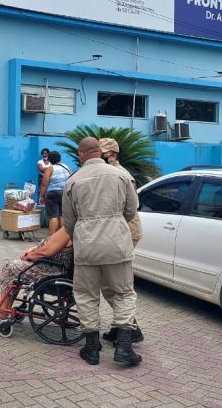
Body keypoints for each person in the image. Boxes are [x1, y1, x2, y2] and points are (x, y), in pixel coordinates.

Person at [63, 137, 141, 366]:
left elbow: (69, 222)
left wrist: (83, 231)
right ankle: (124, 348)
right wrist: (114, 223)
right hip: (117, 245)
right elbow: (131, 209)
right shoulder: (121, 175)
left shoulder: (73, 181)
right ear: (100, 152)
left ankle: (92, 349)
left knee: (87, 295)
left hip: (86, 247)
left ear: (81, 154)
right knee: (124, 293)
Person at [98, 137, 145, 346]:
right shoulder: (106, 173)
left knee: (113, 285)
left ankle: (129, 329)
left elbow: (129, 209)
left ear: (112, 156)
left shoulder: (122, 175)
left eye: (101, 156)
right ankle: (121, 327)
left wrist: (112, 227)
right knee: (109, 285)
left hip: (125, 232)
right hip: (116, 232)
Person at [0, 227, 73, 321]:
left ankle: (2, 312)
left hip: (52, 271)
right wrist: (35, 248)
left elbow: (45, 252)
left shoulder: (67, 230)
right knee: (16, 269)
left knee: (11, 267)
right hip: (52, 267)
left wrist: (29, 256)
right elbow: (50, 243)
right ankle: (5, 306)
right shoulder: (70, 227)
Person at [39, 150, 72, 235]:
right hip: (65, 193)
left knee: (53, 216)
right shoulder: (67, 167)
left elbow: (44, 184)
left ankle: (51, 238)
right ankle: (64, 238)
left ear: (50, 160)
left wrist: (41, 196)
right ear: (59, 158)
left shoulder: (50, 169)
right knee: (62, 216)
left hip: (52, 193)